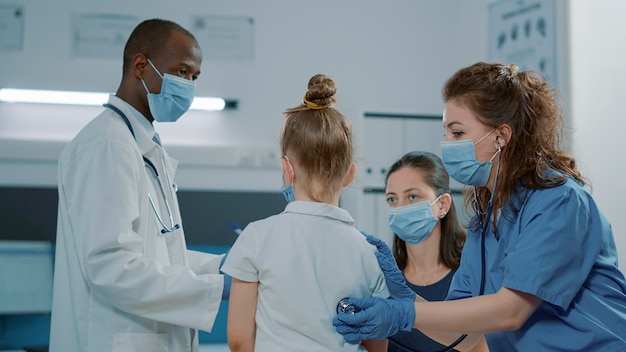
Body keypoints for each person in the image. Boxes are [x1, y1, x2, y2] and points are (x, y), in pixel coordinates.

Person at [334, 62, 626, 351]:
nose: (446, 144)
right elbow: (465, 335)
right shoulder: (486, 221)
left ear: (501, 136)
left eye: (457, 133)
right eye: (446, 132)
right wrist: (406, 300)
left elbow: (511, 311)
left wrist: (403, 313)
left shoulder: (558, 202)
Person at [49, 19, 231, 352]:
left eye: (194, 77)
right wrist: (217, 285)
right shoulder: (107, 145)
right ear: (140, 66)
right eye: (180, 72)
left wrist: (220, 266)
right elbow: (111, 266)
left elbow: (160, 256)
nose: (188, 85)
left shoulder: (143, 145)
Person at [221, 74, 389, 352]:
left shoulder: (256, 237)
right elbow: (376, 346)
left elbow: (239, 340)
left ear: (287, 169)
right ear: (350, 175)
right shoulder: (370, 253)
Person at [384, 151, 488, 352]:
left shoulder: (470, 278)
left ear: (443, 204)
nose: (400, 208)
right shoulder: (385, 282)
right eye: (392, 199)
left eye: (412, 196)